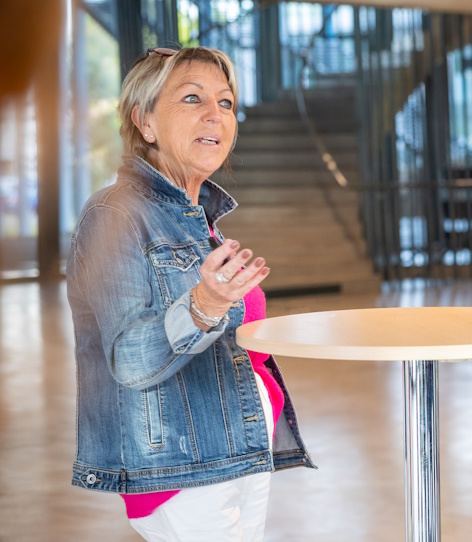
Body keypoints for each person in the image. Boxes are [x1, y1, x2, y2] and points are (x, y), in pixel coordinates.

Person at [67, 46, 314, 541]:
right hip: (185, 465)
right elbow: (129, 360)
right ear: (145, 121)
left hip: (242, 448)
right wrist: (205, 306)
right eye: (192, 98)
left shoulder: (197, 218)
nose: (214, 115)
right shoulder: (115, 216)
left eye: (225, 103)